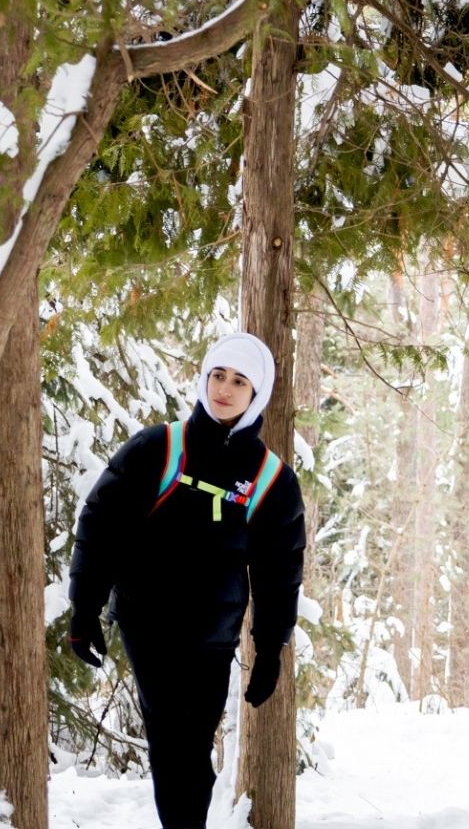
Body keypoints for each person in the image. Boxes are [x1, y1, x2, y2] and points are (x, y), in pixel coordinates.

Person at [67, 332, 305, 829]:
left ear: (256, 393)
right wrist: (85, 609)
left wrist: (269, 649)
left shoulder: (270, 479)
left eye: (239, 381)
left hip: (213, 636)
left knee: (192, 747)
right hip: (146, 621)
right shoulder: (158, 447)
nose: (224, 388)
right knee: (173, 738)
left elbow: (279, 572)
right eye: (218, 375)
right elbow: (100, 525)